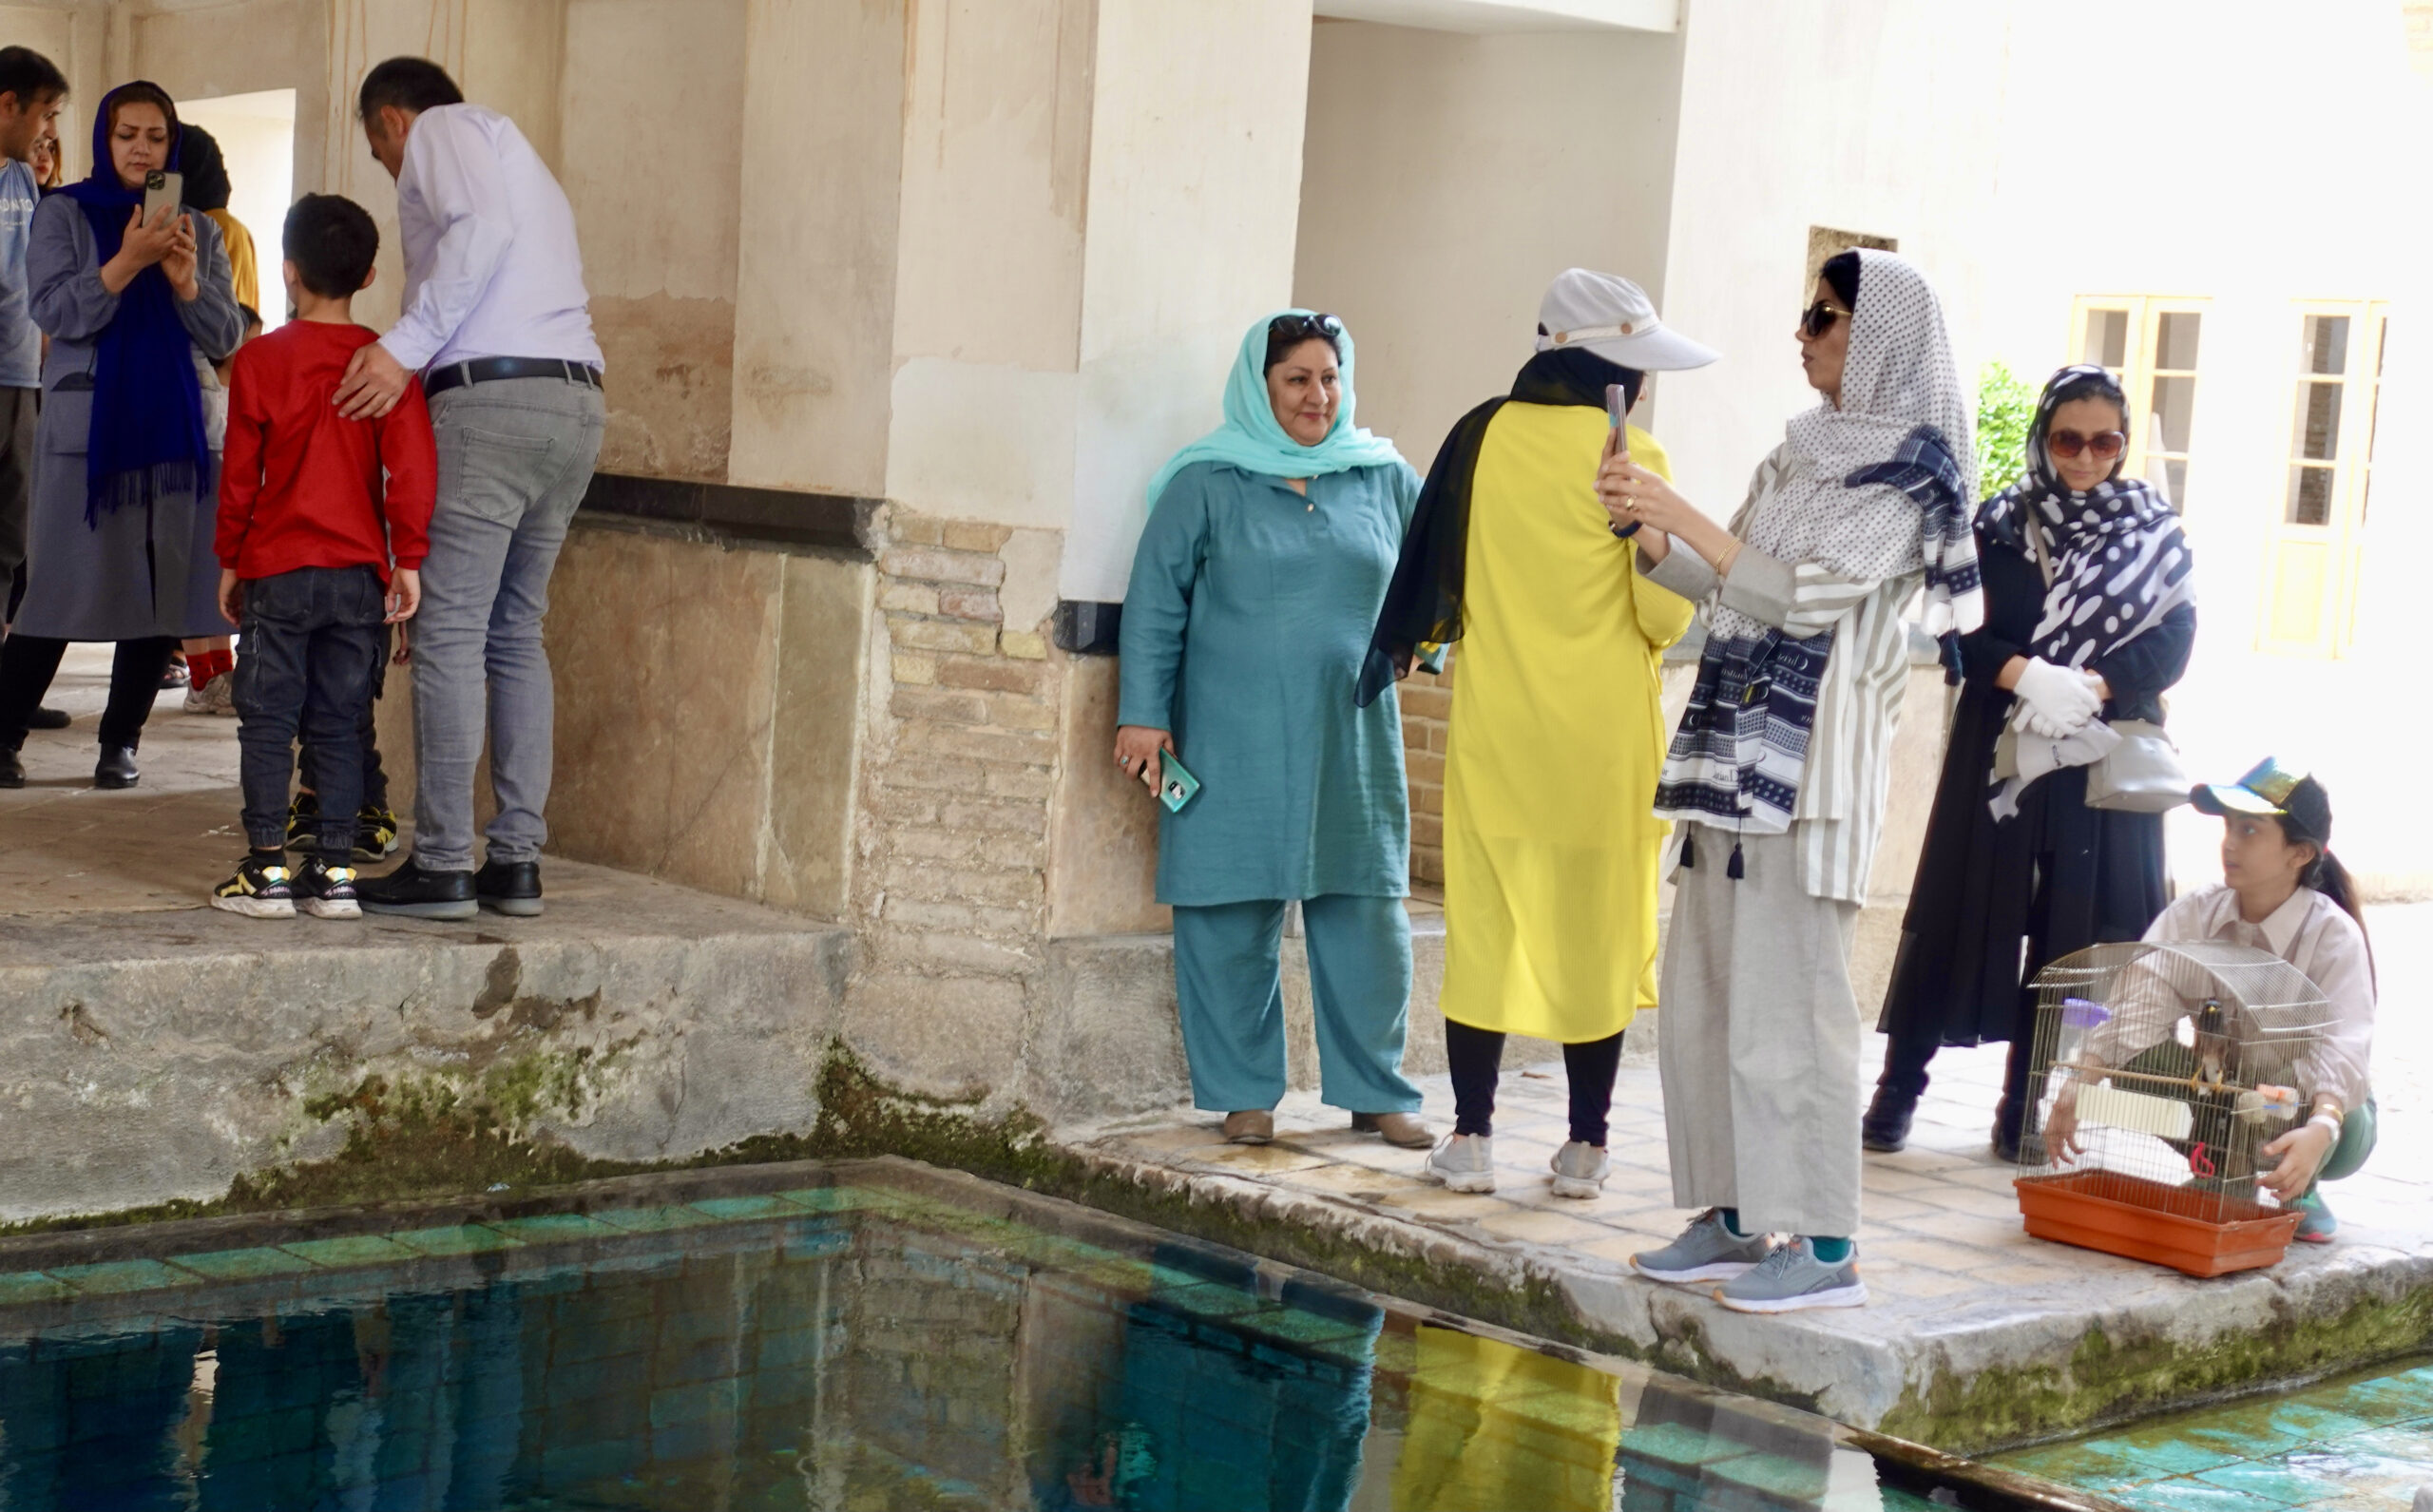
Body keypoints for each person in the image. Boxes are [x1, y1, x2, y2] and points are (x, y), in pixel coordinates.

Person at [1600, 249, 1983, 1312]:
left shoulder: (1913, 474)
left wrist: (1685, 517)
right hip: (1732, 758)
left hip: (1810, 778)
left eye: (1825, 317)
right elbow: (1728, 588)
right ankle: (1728, 1216)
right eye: (1806, 314)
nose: (1803, 333)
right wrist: (1645, 528)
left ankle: (1824, 1247)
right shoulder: (1799, 453)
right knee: (1707, 1000)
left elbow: (1804, 596)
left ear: (1884, 341)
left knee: (1795, 1012)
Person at [1360, 269, 1718, 1199]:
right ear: (1605, 367)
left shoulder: (1479, 440)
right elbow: (1662, 621)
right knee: (1594, 930)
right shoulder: (1634, 460)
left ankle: (1471, 1137)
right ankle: (1584, 1149)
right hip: (1602, 742)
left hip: (1499, 732)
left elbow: (1450, 586)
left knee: (1485, 925)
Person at [1867, 365, 2197, 1159]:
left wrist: (2093, 683)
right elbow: (1956, 624)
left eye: (2105, 441)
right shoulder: (2001, 523)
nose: (2085, 457)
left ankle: (2025, 1104)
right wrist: (2026, 676)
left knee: (2072, 934)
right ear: (2044, 438)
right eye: (2067, 439)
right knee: (1957, 910)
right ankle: (1896, 1091)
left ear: (2122, 444)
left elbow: (2174, 637)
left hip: (2096, 752)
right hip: (2001, 750)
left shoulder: (2152, 529)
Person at [1117, 310, 1429, 1148]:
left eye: (1329, 377)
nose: (1317, 396)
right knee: (1224, 909)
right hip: (1228, 732)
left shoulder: (1381, 475)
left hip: (1352, 738)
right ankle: (1242, 1092)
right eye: (1297, 379)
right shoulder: (1207, 481)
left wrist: (1414, 646)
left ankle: (1376, 1089)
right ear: (1261, 387)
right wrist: (1144, 715)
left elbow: (1434, 575)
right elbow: (1155, 602)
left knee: (1367, 910)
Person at [339, 57, 604, 921]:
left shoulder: (446, 130)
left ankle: (447, 861)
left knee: (449, 628)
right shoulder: (526, 161)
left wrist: (403, 344)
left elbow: (477, 229)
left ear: (390, 122)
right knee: (515, 629)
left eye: (383, 159)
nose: (394, 176)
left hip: (491, 400)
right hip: (573, 405)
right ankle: (516, 862)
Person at [0, 80, 243, 791]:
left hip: (176, 434)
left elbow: (227, 333)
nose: (141, 148)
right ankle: (3, 732)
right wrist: (127, 262)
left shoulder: (198, 225)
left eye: (156, 137)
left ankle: (120, 742)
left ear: (171, 145)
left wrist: (188, 283)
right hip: (90, 432)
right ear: (106, 140)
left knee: (160, 591)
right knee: (57, 589)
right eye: (127, 134)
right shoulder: (64, 213)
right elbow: (55, 312)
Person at [209, 194, 432, 919]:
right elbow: (411, 468)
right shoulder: (385, 364)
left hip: (278, 568)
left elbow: (241, 473)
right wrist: (408, 560)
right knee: (340, 721)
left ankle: (266, 869)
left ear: (288, 271)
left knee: (269, 719)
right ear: (369, 276)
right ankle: (334, 873)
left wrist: (231, 558)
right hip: (359, 577)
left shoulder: (261, 359)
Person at [2045, 761, 2373, 1243]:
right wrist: (2080, 1081)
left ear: (2299, 853)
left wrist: (2324, 1125)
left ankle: (2301, 1180)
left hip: (2311, 1107)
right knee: (2136, 1059)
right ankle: (2219, 1171)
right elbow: (2140, 1001)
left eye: (2249, 829)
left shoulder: (2332, 935)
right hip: (2218, 1094)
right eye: (2227, 826)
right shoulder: (2195, 915)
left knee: (2283, 1094)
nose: (2230, 842)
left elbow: (2344, 1047)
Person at [0, 47, 67, 728]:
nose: (47, 129)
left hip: (24, 379)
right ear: (7, 105)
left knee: (12, 545)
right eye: (44, 112)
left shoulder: (23, 180)